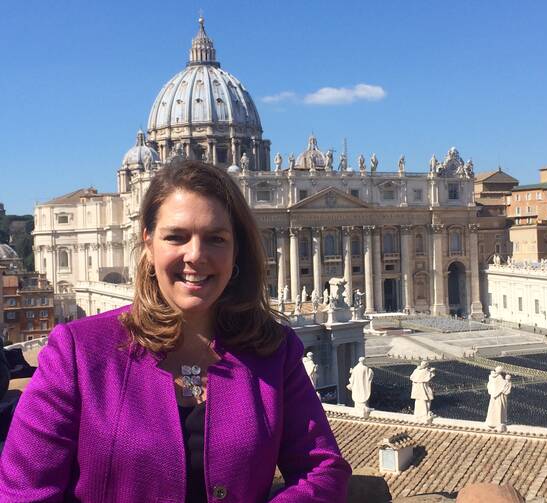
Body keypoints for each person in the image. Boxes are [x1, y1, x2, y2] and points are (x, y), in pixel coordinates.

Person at [0, 161, 351, 502]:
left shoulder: (275, 350)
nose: (195, 255)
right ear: (148, 244)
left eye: (215, 238)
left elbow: (322, 470)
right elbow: (22, 491)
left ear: (237, 248)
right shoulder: (78, 352)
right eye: (177, 237)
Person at [485, 366, 512, 431]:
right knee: (498, 409)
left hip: (493, 397)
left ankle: (491, 421)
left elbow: (489, 386)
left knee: (492, 409)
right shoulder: (499, 378)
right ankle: (497, 422)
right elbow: (505, 388)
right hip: (499, 398)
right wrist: (508, 379)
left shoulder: (491, 377)